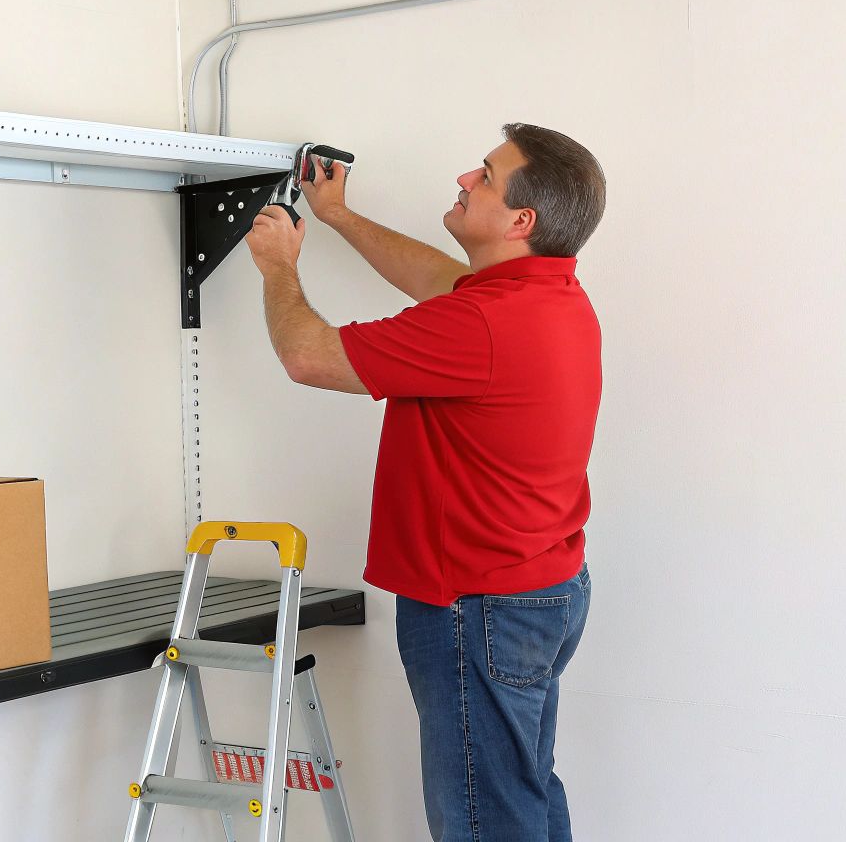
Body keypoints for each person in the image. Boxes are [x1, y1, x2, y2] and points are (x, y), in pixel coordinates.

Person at [243, 123, 607, 841]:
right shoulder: (547, 294)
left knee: (481, 821)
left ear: (519, 220)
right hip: (541, 592)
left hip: (480, 609)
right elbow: (439, 278)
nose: (467, 179)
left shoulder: (483, 324)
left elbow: (308, 357)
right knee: (521, 798)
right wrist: (339, 216)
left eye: (486, 176)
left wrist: (277, 266)